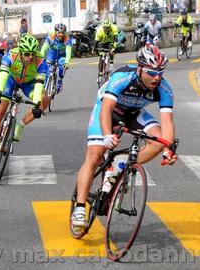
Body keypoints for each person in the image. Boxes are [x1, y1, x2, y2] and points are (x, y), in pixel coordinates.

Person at [70, 45, 178, 228]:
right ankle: (79, 209)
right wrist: (106, 136)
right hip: (108, 110)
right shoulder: (122, 78)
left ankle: (121, 162)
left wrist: (168, 149)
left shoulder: (164, 89)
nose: (157, 77)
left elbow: (167, 122)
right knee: (95, 155)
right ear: (140, 68)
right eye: (152, 72)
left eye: (160, 72)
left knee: (158, 141)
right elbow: (106, 109)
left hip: (133, 112)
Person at [0, 34, 50, 166]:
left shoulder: (40, 61)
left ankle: (20, 126)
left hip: (29, 83)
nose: (31, 57)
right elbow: (2, 79)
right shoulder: (10, 56)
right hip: (11, 80)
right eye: (27, 54)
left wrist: (36, 105)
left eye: (33, 54)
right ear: (21, 52)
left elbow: (40, 85)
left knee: (45, 99)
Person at [39, 23, 72, 93]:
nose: (61, 34)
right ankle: (45, 87)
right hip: (52, 54)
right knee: (47, 71)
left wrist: (66, 63)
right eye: (59, 32)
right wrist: (40, 59)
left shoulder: (67, 39)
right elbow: (44, 49)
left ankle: (60, 81)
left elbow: (68, 52)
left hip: (62, 55)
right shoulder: (51, 36)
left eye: (63, 33)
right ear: (55, 32)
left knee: (61, 68)